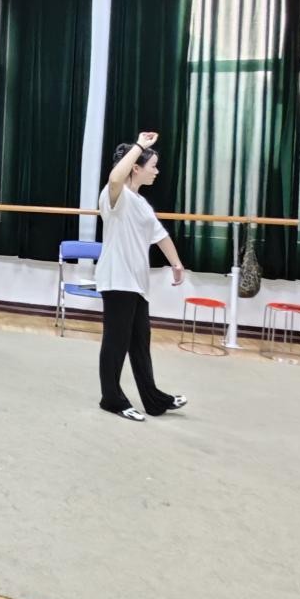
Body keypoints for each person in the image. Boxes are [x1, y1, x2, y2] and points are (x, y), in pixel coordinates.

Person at [96, 133, 189, 422]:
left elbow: (160, 235)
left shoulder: (141, 202)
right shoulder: (116, 196)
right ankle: (111, 398)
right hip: (117, 279)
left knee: (140, 343)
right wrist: (139, 146)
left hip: (136, 283)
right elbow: (115, 178)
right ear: (136, 167)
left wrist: (176, 264)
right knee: (116, 342)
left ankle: (153, 399)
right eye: (153, 166)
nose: (157, 171)